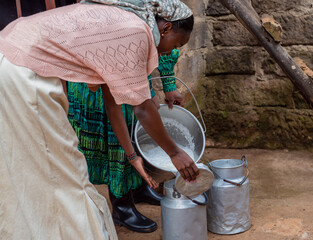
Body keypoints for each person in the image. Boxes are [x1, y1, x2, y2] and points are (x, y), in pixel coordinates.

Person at [0, 1, 198, 239]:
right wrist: (175, 153)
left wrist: (133, 157)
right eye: (176, 44)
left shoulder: (124, 25)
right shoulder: (135, 32)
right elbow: (143, 109)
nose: (170, 51)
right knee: (63, 167)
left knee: (47, 163)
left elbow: (112, 103)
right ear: (165, 28)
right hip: (21, 69)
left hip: (16, 58)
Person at [67, 48, 183, 233]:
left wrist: (166, 86)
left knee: (133, 131)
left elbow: (157, 52)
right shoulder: (131, 27)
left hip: (125, 77)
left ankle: (137, 188)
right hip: (97, 79)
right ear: (165, 28)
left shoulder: (147, 26)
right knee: (118, 139)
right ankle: (121, 206)